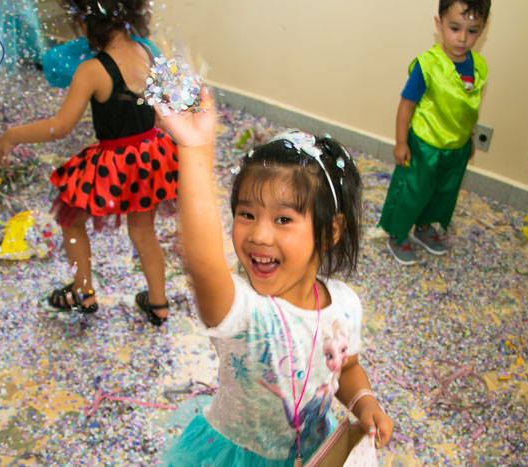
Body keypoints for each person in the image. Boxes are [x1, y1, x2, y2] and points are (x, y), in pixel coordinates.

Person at [158, 89, 393, 465]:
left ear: (331, 230)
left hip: (315, 451)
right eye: (246, 214)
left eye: (283, 219)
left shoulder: (345, 305)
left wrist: (365, 402)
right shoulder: (245, 311)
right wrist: (195, 150)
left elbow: (346, 368)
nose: (259, 235)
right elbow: (202, 262)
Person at [0, 0, 177, 325]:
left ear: (86, 21)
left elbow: (60, 127)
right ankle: (159, 304)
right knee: (143, 231)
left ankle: (82, 291)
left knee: (72, 220)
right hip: (151, 155)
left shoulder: (92, 70)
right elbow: (162, 109)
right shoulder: (146, 52)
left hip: (115, 163)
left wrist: (12, 135)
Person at [378, 0, 491, 265]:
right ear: (439, 24)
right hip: (425, 145)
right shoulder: (427, 66)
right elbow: (406, 106)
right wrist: (401, 142)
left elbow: (465, 108)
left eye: (472, 31)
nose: (462, 38)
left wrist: (468, 138)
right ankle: (397, 233)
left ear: (482, 29)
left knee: (443, 192)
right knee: (413, 191)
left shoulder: (478, 67)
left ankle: (424, 226)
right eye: (455, 28)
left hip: (456, 147)